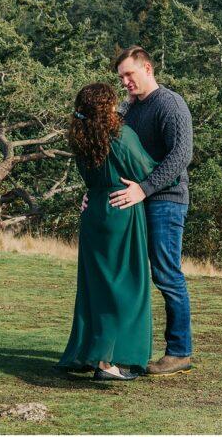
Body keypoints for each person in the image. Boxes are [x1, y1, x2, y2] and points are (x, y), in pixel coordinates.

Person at [82, 46, 194, 377]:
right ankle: (120, 352)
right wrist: (92, 192)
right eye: (121, 77)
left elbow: (181, 156)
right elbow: (111, 152)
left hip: (166, 200)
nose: (126, 82)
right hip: (135, 201)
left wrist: (143, 188)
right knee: (130, 275)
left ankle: (179, 351)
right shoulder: (129, 110)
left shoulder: (170, 104)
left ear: (147, 67)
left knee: (165, 273)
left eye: (130, 74)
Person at [58, 82, 162, 380]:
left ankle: (94, 354)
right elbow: (145, 169)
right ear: (107, 106)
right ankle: (108, 362)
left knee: (98, 287)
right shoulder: (119, 135)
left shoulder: (81, 137)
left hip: (94, 211)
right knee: (127, 286)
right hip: (121, 209)